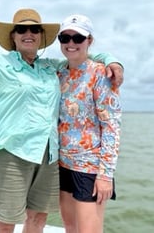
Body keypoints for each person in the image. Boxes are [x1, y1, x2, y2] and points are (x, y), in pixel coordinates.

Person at [0, 0, 124, 233]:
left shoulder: (52, 67)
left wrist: (111, 60)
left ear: (40, 36)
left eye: (34, 29)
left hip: (49, 157)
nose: (28, 33)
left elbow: (81, 55)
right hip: (11, 154)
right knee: (4, 223)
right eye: (21, 29)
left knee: (37, 219)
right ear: (13, 36)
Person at [57, 14, 122, 233]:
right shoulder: (58, 72)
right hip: (62, 164)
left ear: (89, 41)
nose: (71, 43)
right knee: (69, 227)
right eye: (64, 38)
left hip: (90, 168)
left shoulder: (101, 73)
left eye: (78, 37)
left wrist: (106, 175)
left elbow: (111, 126)